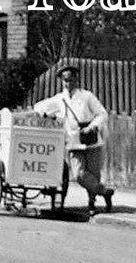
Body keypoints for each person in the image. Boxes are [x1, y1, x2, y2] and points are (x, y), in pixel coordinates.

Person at [29, 65, 115, 214]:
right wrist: (49, 115)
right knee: (79, 175)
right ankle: (105, 192)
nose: (68, 83)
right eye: (65, 80)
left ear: (76, 79)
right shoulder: (60, 99)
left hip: (91, 140)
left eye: (71, 79)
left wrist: (92, 126)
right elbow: (39, 107)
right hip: (73, 142)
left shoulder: (87, 96)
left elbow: (102, 114)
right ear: (62, 81)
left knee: (93, 173)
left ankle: (92, 203)